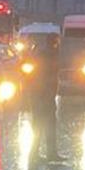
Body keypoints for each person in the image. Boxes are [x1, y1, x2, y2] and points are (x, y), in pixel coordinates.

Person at [28, 33, 63, 161]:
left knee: (42, 124)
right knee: (45, 124)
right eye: (57, 41)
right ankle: (44, 154)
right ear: (54, 42)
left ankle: (40, 154)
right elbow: (45, 75)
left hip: (42, 94)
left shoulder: (45, 53)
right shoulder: (49, 54)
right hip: (43, 95)